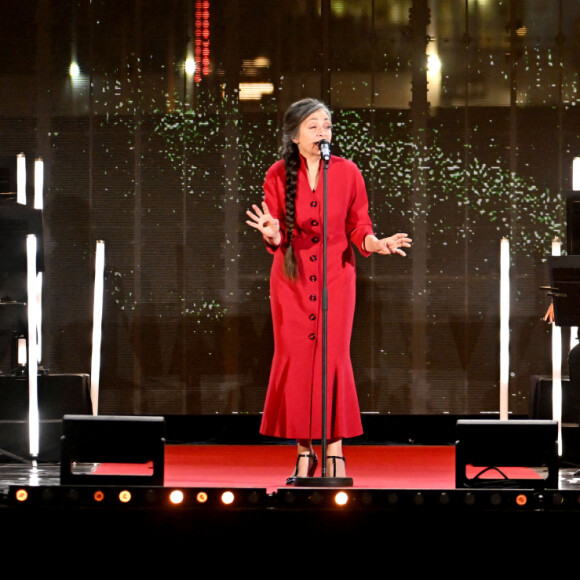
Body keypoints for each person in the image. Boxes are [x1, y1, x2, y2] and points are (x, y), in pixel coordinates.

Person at [246, 98, 412, 483]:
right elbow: (277, 230)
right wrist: (273, 235)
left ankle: (335, 451)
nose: (323, 133)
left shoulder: (348, 172)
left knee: (332, 359)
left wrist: (375, 243)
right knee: (298, 361)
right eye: (313, 126)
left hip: (337, 281)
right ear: (294, 134)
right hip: (291, 281)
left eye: (327, 126)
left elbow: (359, 228)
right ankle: (305, 452)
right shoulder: (277, 174)